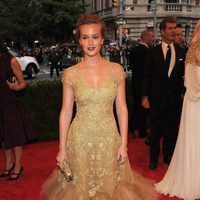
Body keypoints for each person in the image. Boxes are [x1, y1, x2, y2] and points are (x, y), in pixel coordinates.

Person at [41, 14, 157, 200]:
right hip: (79, 140)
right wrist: (62, 148)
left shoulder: (116, 70)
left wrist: (124, 144)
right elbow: (66, 111)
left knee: (111, 188)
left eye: (95, 37)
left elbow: (122, 109)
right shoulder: (71, 74)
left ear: (102, 39)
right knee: (80, 190)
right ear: (79, 40)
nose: (90, 42)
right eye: (85, 37)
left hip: (109, 139)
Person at [154, 20, 200, 200]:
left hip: (192, 102)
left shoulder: (189, 51)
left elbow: (188, 80)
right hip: (195, 104)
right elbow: (193, 83)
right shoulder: (194, 51)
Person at [142, 17, 186, 170]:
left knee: (171, 130)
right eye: (170, 28)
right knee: (155, 132)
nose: (174, 31)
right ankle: (153, 159)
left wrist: (182, 92)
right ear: (162, 31)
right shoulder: (152, 52)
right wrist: (145, 96)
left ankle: (168, 156)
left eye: (175, 28)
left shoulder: (182, 51)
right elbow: (146, 75)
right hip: (156, 99)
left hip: (174, 100)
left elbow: (183, 76)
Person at [0, 41, 37, 180]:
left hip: (9, 104)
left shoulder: (11, 60)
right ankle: (9, 165)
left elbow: (22, 83)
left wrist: (17, 87)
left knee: (14, 137)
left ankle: (18, 167)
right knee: (3, 138)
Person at [129, 29, 154, 138]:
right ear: (146, 38)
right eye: (152, 37)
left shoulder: (133, 50)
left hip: (135, 84)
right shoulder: (146, 51)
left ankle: (133, 127)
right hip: (143, 85)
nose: (153, 39)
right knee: (143, 110)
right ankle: (141, 131)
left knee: (136, 108)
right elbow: (147, 71)